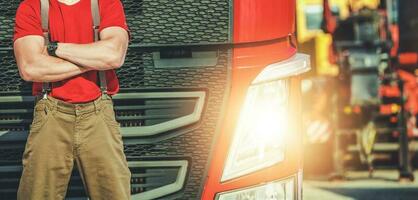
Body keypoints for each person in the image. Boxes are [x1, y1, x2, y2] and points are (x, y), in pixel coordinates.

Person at [13, 0, 131, 199]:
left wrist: (52, 48)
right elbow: (31, 67)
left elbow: (113, 55)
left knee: (114, 194)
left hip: (98, 112)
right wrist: (94, 61)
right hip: (50, 112)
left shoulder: (107, 3)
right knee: (37, 194)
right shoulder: (31, 6)